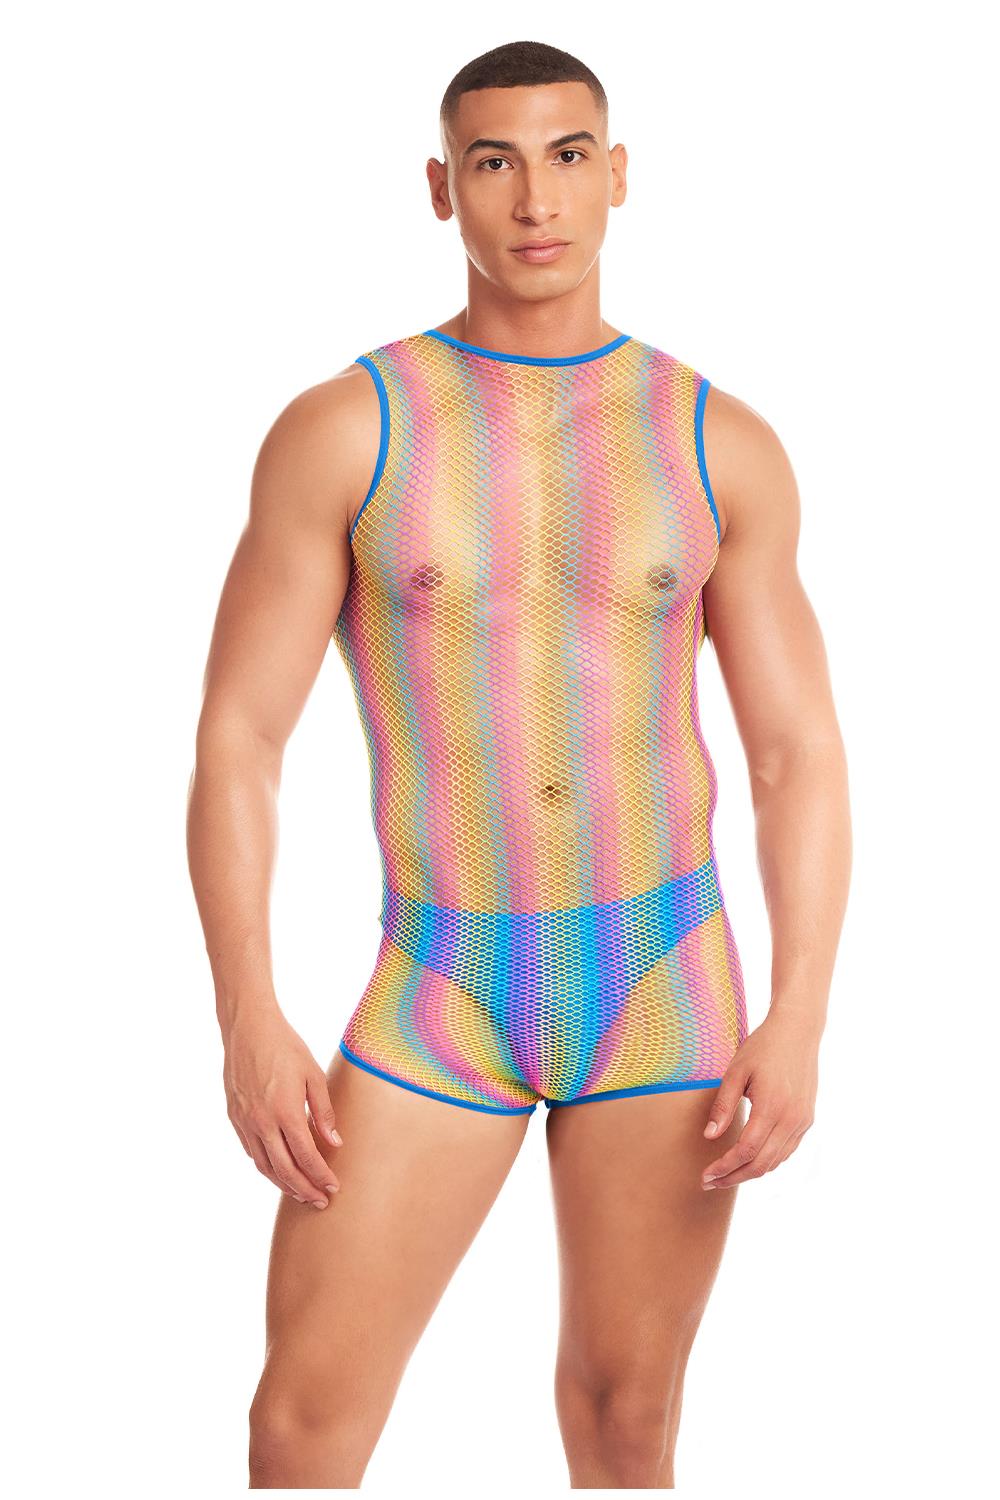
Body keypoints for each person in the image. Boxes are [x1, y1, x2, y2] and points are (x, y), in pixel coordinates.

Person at [186, 38, 851, 1490]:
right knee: (300, 1427)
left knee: (624, 1418)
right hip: (444, 981)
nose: (535, 200)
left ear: (618, 178)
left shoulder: (714, 441)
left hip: (661, 975)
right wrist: (247, 1011)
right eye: (494, 163)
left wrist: (800, 1009)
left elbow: (795, 751)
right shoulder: (347, 430)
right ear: (443, 188)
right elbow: (239, 735)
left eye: (567, 158)